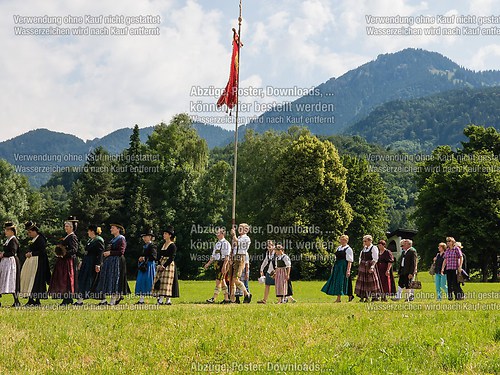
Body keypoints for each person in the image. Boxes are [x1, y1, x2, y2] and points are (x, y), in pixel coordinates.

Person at [95, 223, 131, 305]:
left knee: (116, 280)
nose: (111, 229)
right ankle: (114, 297)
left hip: (117, 262)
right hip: (111, 262)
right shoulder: (113, 240)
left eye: (113, 228)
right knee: (111, 279)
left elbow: (121, 252)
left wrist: (110, 253)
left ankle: (114, 298)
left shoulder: (121, 239)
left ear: (118, 229)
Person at [48, 216, 79, 305]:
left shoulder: (72, 237)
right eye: (65, 226)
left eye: (67, 226)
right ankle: (66, 298)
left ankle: (68, 298)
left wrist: (64, 254)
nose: (65, 228)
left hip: (68, 261)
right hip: (64, 261)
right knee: (63, 280)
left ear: (72, 227)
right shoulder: (67, 236)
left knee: (67, 280)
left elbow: (74, 249)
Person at [20, 221, 51, 306]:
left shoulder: (40, 239)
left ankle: (37, 299)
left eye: (30, 232)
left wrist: (32, 254)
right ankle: (31, 299)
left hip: (39, 263)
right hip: (32, 262)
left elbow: (42, 251)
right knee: (30, 279)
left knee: (37, 280)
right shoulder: (33, 239)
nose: (29, 234)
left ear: (34, 231)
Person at [74, 225, 104, 305]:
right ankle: (80, 299)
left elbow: (100, 253)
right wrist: (82, 261)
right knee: (83, 279)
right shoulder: (91, 240)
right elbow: (87, 252)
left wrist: (98, 264)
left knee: (93, 281)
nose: (88, 232)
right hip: (87, 262)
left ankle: (102, 299)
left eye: (89, 231)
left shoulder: (99, 240)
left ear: (92, 231)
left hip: (93, 263)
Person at [321, 234, 354, 303]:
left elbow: (350, 261)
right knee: (338, 281)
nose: (342, 241)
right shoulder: (338, 248)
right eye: (341, 240)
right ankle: (339, 298)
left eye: (344, 240)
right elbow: (336, 258)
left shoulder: (348, 249)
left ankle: (349, 296)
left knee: (344, 281)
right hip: (337, 266)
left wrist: (348, 270)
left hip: (343, 266)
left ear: (347, 241)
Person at [152, 226, 179, 305]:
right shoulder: (163, 245)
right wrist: (159, 264)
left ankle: (162, 300)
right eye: (164, 233)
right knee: (161, 281)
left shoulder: (172, 245)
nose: (164, 235)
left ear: (170, 235)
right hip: (162, 263)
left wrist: (164, 265)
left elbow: (172, 257)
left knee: (166, 282)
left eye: (165, 233)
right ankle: (167, 300)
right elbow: (159, 256)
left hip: (168, 265)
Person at [204, 228, 230, 304]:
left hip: (223, 262)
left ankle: (214, 298)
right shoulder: (217, 243)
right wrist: (208, 264)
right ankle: (226, 299)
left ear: (222, 234)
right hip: (217, 263)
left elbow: (227, 256)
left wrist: (224, 266)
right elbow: (213, 256)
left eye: (218, 233)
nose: (216, 234)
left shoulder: (226, 243)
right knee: (222, 281)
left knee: (218, 281)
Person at [354, 235, 382, 302]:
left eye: (365, 241)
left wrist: (372, 267)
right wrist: (360, 265)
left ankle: (374, 297)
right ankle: (363, 296)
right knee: (362, 282)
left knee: (371, 282)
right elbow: (360, 258)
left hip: (369, 266)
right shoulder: (364, 248)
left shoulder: (373, 248)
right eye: (364, 241)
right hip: (363, 267)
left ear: (370, 241)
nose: (364, 242)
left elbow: (375, 259)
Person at [229, 223, 252, 303]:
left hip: (241, 257)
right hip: (236, 257)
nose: (239, 229)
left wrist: (233, 235)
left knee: (236, 279)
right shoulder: (239, 237)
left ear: (246, 230)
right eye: (239, 227)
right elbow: (235, 246)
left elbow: (238, 242)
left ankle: (246, 293)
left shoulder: (246, 238)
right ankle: (233, 298)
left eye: (241, 228)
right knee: (233, 279)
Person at [0, 222, 21, 307]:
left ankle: (16, 301)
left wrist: (3, 255)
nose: (5, 232)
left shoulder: (13, 240)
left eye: (7, 230)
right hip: (5, 262)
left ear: (12, 231)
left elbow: (12, 252)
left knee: (12, 281)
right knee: (2, 279)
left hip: (11, 262)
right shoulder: (8, 240)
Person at [135, 229, 157, 304]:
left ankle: (157, 297)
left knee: (149, 281)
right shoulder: (144, 246)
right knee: (141, 281)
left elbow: (154, 257)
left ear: (150, 237)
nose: (144, 238)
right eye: (143, 237)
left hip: (149, 265)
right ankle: (141, 299)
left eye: (146, 236)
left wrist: (144, 258)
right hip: (143, 265)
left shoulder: (152, 246)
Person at [257, 240, 276, 304]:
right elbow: (265, 261)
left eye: (270, 246)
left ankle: (283, 299)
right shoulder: (267, 253)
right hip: (269, 271)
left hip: (276, 271)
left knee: (278, 286)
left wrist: (276, 271)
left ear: (273, 246)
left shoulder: (276, 252)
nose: (269, 247)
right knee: (267, 285)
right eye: (268, 246)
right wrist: (261, 269)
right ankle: (264, 300)